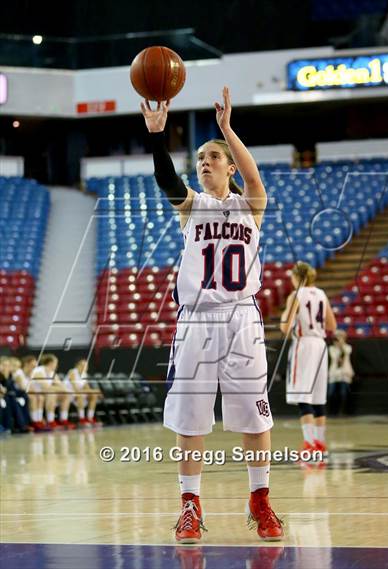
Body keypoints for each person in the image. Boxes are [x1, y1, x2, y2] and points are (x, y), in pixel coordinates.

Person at [140, 87, 284, 543]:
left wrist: (226, 130)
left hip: (242, 318)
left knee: (255, 417)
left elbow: (255, 176)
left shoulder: (250, 205)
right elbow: (167, 181)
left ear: (228, 166)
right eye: (200, 158)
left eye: (212, 158)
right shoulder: (193, 208)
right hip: (198, 318)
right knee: (190, 418)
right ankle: (189, 506)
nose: (204, 163)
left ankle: (260, 501)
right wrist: (159, 139)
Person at [280, 262, 337, 456]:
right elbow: (332, 325)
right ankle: (320, 443)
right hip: (321, 344)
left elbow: (284, 328)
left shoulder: (296, 295)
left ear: (297, 277)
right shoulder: (321, 294)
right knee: (318, 397)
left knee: (303, 395)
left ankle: (309, 444)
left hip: (304, 344)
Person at [31, 354, 76, 430]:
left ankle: (63, 419)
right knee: (52, 393)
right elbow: (46, 387)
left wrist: (65, 390)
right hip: (36, 393)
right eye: (56, 363)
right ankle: (50, 421)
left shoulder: (52, 373)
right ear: (51, 363)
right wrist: (59, 388)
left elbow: (62, 386)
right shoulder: (39, 371)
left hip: (45, 394)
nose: (57, 365)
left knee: (66, 395)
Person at [13, 355, 48, 432]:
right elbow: (23, 388)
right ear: (26, 364)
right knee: (33, 397)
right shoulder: (19, 373)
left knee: (40, 397)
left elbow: (32, 388)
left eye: (35, 367)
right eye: (32, 366)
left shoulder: (31, 375)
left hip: (26, 393)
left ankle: (39, 420)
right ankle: (34, 421)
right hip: (18, 393)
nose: (34, 369)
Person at [63, 358, 101, 426]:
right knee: (80, 395)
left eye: (86, 365)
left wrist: (94, 392)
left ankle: (90, 418)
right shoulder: (72, 372)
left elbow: (87, 388)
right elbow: (76, 389)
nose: (85, 367)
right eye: (83, 365)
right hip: (68, 393)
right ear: (78, 365)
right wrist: (92, 391)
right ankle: (81, 419)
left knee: (93, 395)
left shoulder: (84, 374)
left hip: (78, 394)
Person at [0, 356, 32, 433]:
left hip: (8, 396)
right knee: (11, 399)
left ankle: (22, 424)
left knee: (24, 397)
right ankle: (20, 425)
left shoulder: (9, 376)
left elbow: (11, 389)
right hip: (5, 397)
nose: (6, 367)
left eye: (7, 365)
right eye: (4, 365)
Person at [328, 330, 354, 416]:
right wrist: (337, 346)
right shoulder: (331, 348)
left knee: (343, 393)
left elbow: (347, 352)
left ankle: (342, 411)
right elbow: (335, 357)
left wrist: (342, 345)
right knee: (331, 393)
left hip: (345, 372)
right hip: (334, 373)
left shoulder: (348, 347)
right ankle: (332, 411)